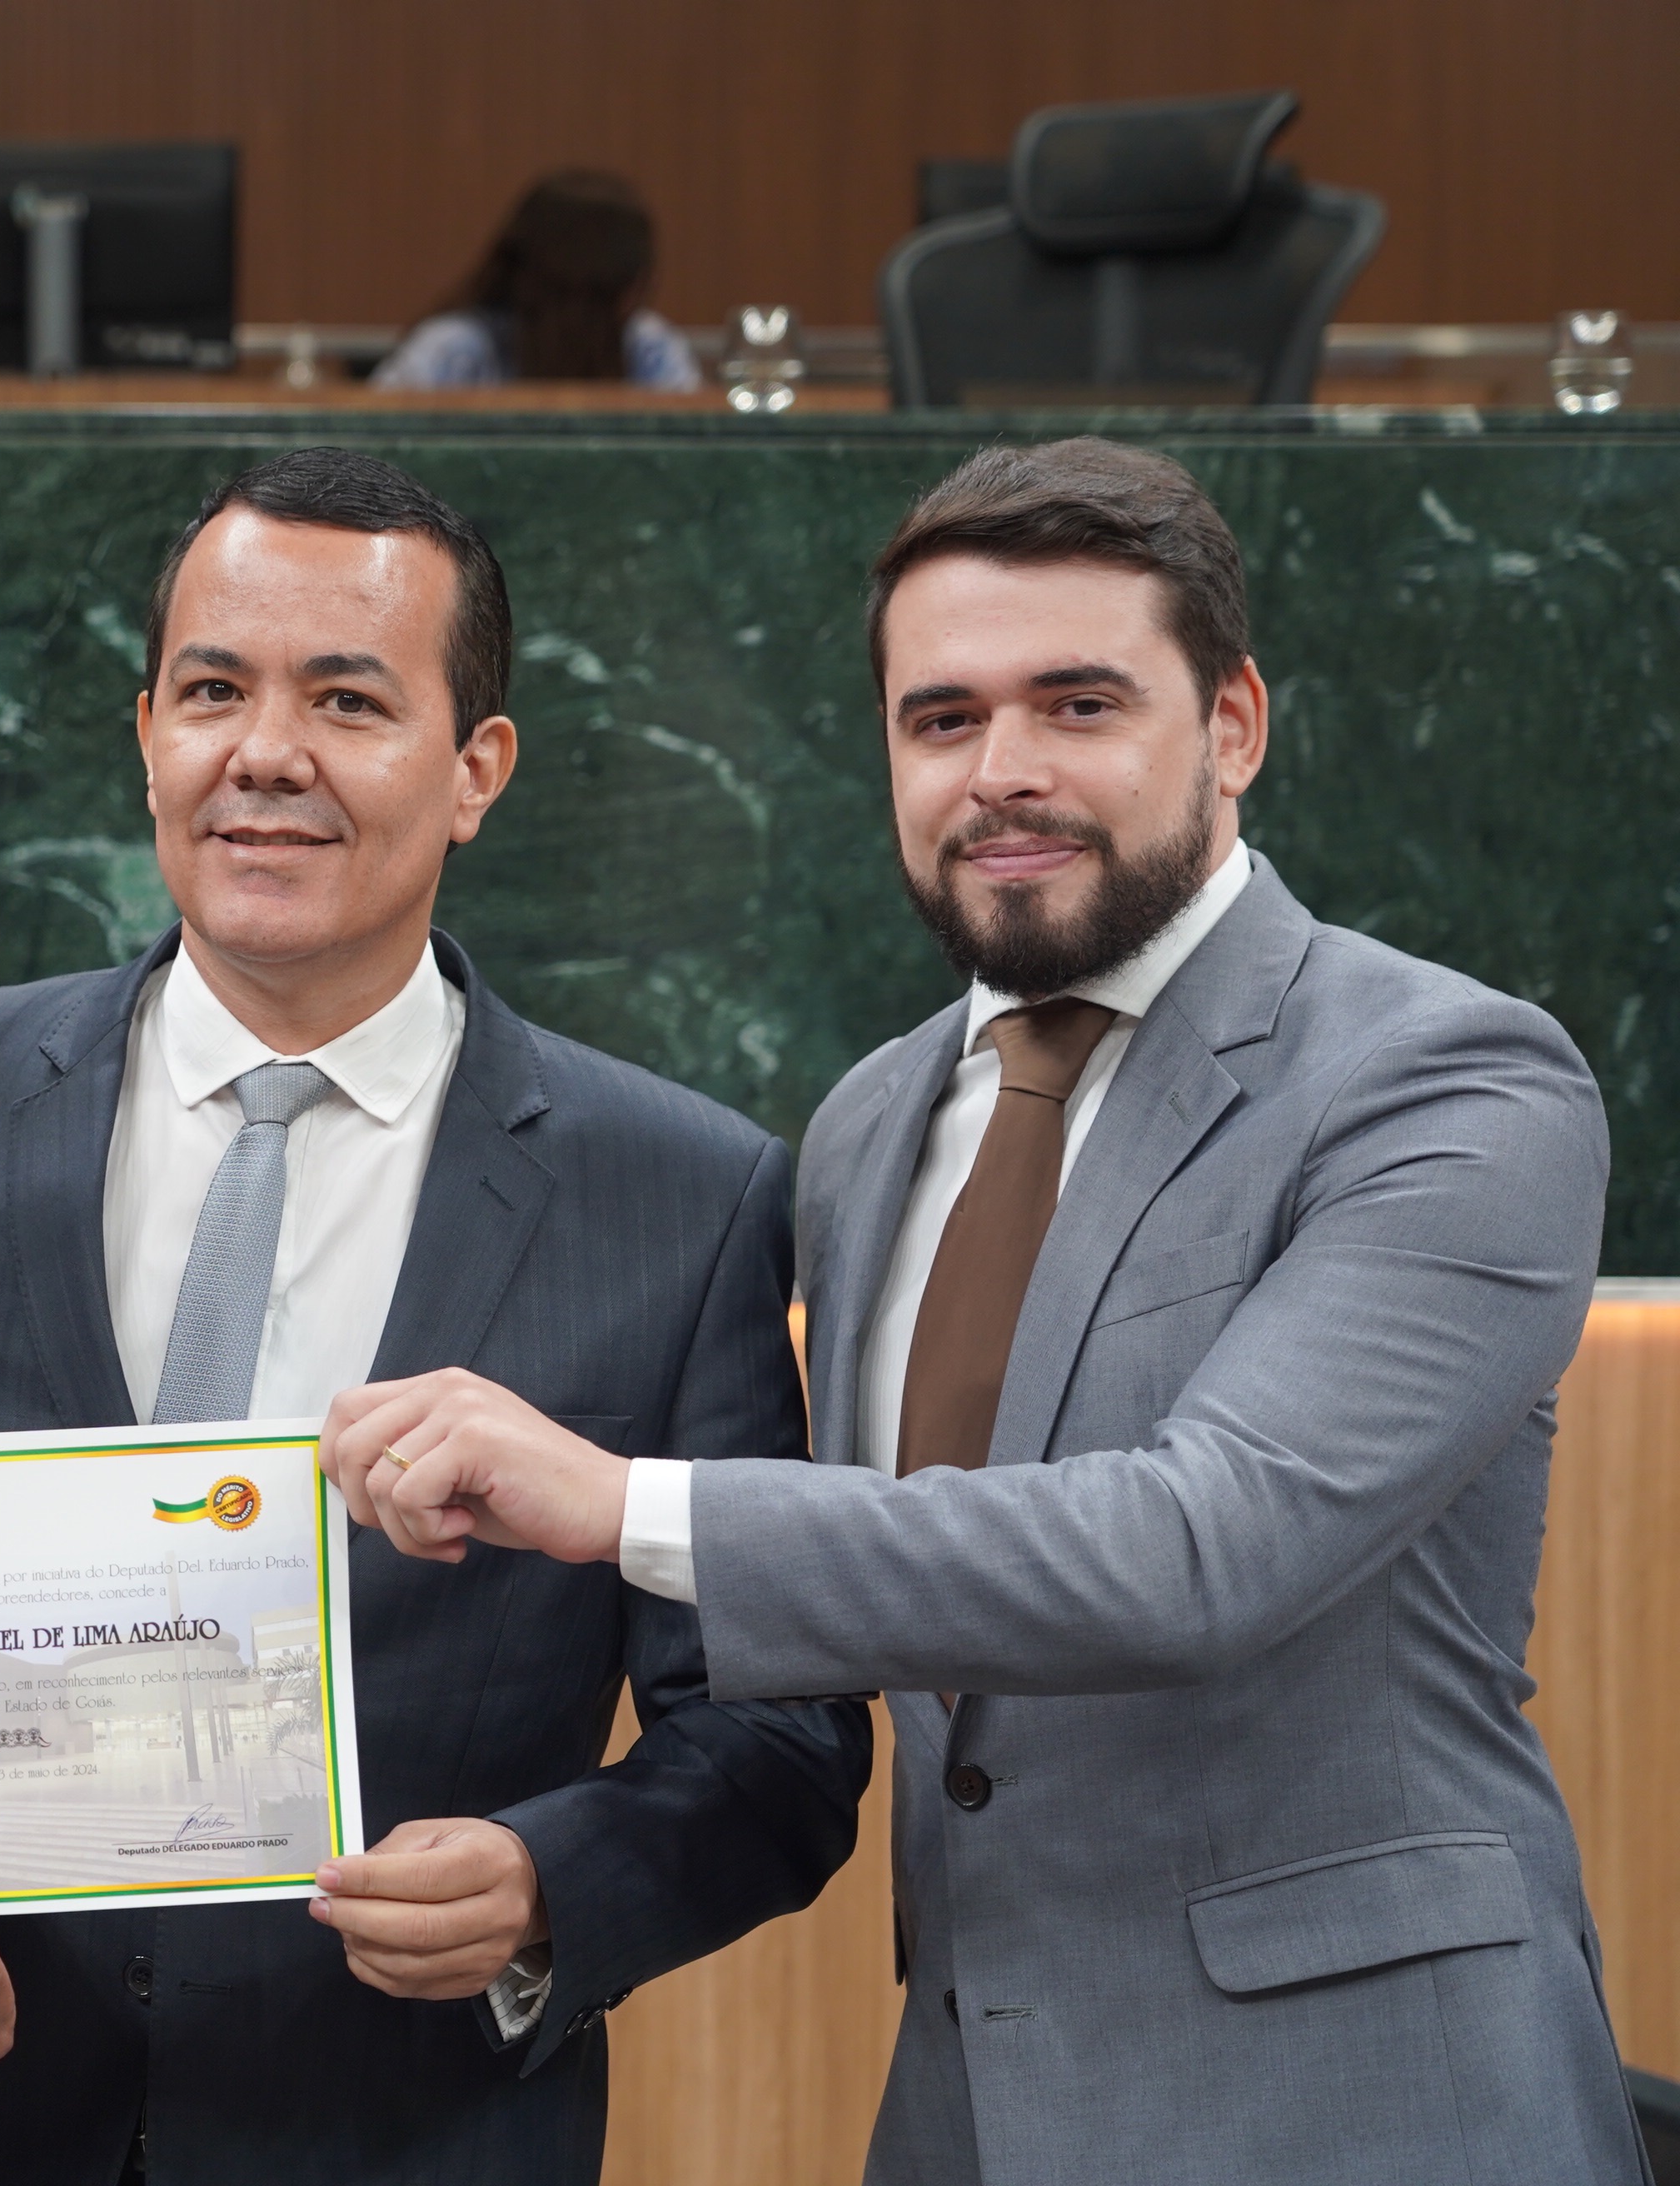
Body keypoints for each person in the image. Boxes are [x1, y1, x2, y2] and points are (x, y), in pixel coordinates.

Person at [324, 438, 1648, 2185]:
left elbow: (1196, 1550)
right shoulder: (869, 1129)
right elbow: (854, 1628)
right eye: (941, 718)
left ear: (1234, 724)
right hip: (969, 2107)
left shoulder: (1449, 1081)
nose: (1001, 771)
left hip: (1370, 2112)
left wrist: (620, 1499)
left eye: (1079, 704)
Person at [0, 448, 872, 2185]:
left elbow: (778, 1736)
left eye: (348, 699)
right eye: (212, 691)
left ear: (476, 770)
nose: (265, 753)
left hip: (404, 2133)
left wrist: (551, 1882)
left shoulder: (681, 1195)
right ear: (145, 734)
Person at [371, 171, 697, 395]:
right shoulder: (454, 350)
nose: (632, 302)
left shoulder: (648, 347)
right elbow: (367, 457)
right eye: (617, 291)